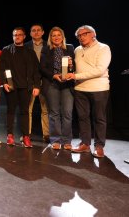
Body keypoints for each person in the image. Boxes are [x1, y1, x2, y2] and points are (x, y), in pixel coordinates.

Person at [67, 25, 111, 158]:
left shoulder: (103, 48)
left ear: (93, 34)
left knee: (99, 118)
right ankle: (85, 144)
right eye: (79, 36)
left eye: (84, 34)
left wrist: (75, 76)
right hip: (80, 89)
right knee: (82, 117)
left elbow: (99, 70)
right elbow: (77, 69)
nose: (81, 37)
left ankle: (99, 146)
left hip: (99, 88)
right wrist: (70, 67)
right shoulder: (77, 50)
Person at [0, 27, 41, 148]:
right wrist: (4, 82)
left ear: (24, 36)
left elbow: (36, 71)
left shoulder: (30, 52)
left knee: (25, 112)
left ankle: (26, 136)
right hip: (11, 86)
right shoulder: (6, 50)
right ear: (13, 37)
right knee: (10, 111)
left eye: (19, 35)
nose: (17, 37)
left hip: (26, 87)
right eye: (15, 35)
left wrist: (37, 86)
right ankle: (10, 135)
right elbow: (1, 69)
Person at [40, 26, 75, 150]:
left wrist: (71, 66)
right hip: (52, 83)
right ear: (50, 38)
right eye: (53, 35)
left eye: (58, 35)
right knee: (54, 113)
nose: (56, 37)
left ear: (62, 37)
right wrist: (54, 75)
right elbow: (42, 68)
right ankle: (55, 139)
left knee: (67, 113)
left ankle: (67, 140)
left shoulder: (70, 48)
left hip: (67, 84)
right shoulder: (46, 49)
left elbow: (73, 68)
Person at [25, 23, 49, 143]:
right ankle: (27, 134)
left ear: (43, 32)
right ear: (30, 33)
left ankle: (47, 135)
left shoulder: (49, 45)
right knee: (28, 109)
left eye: (39, 30)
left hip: (45, 81)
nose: (36, 32)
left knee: (45, 109)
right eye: (33, 30)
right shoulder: (26, 46)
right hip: (30, 82)